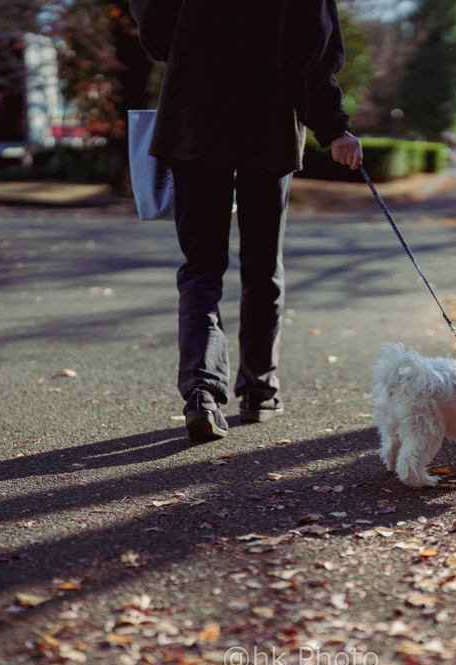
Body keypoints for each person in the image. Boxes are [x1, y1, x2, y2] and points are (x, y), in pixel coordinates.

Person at [129, 0, 362, 442]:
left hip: (193, 121)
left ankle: (202, 392)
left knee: (201, 267)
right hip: (267, 127)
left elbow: (153, 25)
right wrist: (333, 128)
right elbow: (313, 51)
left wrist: (185, 45)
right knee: (262, 266)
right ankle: (258, 392)